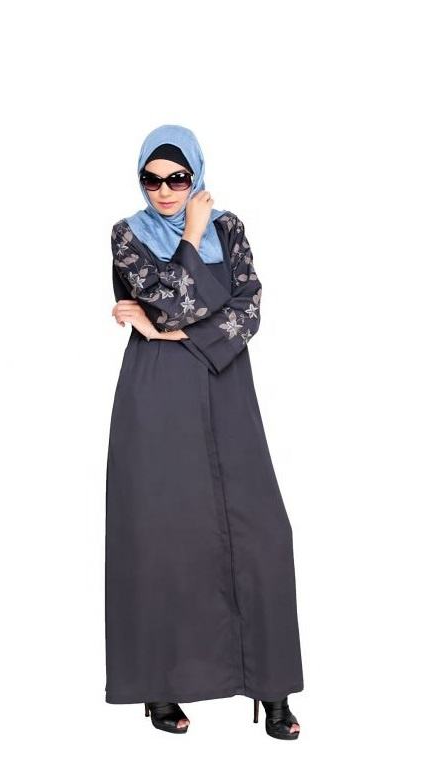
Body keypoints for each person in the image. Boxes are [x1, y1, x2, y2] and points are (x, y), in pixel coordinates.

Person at [105, 124, 304, 740]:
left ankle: (271, 688)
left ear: (195, 175)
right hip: (157, 392)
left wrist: (170, 328)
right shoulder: (127, 234)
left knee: (260, 533)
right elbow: (174, 299)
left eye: (178, 178)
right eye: (152, 179)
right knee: (162, 535)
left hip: (225, 380)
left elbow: (250, 307)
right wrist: (190, 238)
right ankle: (159, 686)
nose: (165, 190)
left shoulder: (232, 228)